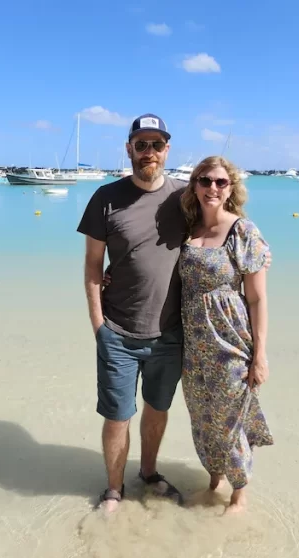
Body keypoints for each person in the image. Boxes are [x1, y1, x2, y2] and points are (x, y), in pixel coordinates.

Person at [77, 114, 188, 513]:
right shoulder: (105, 198)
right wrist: (98, 326)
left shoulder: (185, 197)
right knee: (117, 418)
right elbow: (92, 265)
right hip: (118, 332)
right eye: (141, 145)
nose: (149, 152)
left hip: (171, 333)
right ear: (128, 149)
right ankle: (113, 489)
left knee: (158, 411)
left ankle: (150, 473)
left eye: (157, 145)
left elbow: (218, 234)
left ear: (167, 150)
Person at [178, 155, 272, 514]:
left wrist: (259, 355)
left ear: (231, 187)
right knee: (202, 416)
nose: (212, 188)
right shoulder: (187, 228)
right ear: (195, 185)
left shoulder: (243, 231)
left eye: (220, 182)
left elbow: (258, 298)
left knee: (230, 417)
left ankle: (239, 493)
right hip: (192, 344)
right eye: (205, 181)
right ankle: (214, 479)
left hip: (231, 342)